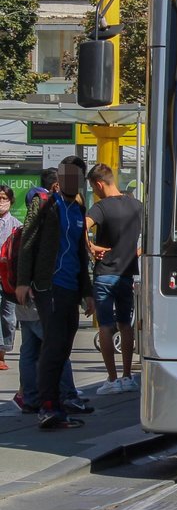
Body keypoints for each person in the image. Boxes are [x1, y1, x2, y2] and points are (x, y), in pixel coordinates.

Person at [14, 156, 96, 430]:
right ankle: (48, 407)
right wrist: (23, 281)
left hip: (71, 288)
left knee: (63, 346)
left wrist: (88, 292)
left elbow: (80, 254)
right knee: (53, 344)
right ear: (60, 178)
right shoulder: (45, 203)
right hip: (48, 286)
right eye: (67, 175)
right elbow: (28, 242)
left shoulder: (79, 209)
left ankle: (57, 404)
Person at [85, 162, 143, 395]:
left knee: (106, 326)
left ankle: (111, 379)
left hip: (105, 275)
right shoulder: (138, 206)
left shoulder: (101, 208)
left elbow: (81, 227)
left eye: (94, 187)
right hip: (127, 275)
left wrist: (91, 246)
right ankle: (128, 376)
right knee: (125, 325)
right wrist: (136, 252)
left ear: (99, 184)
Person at [0, 184, 19, 371]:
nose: (1, 202)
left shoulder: (17, 226)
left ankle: (3, 351)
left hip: (9, 277)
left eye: (4, 198)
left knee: (8, 316)